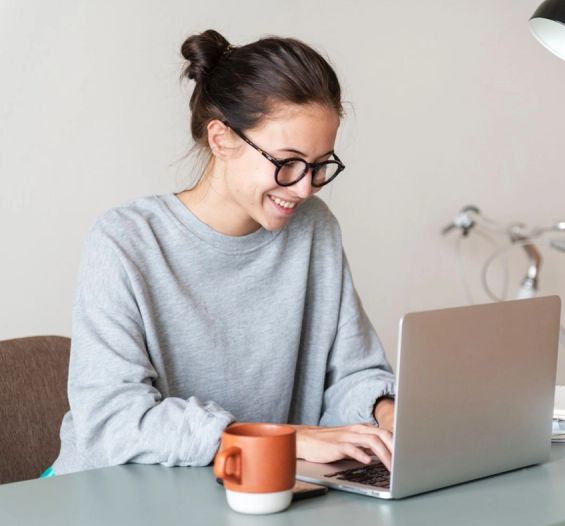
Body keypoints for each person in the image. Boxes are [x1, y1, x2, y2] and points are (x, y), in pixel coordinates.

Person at [48, 29, 396, 477]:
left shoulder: (314, 229)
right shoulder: (125, 240)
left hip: (247, 487)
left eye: (318, 166)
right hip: (110, 492)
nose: (305, 187)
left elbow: (351, 374)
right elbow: (113, 422)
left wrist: (386, 414)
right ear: (221, 138)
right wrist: (283, 439)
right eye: (287, 162)